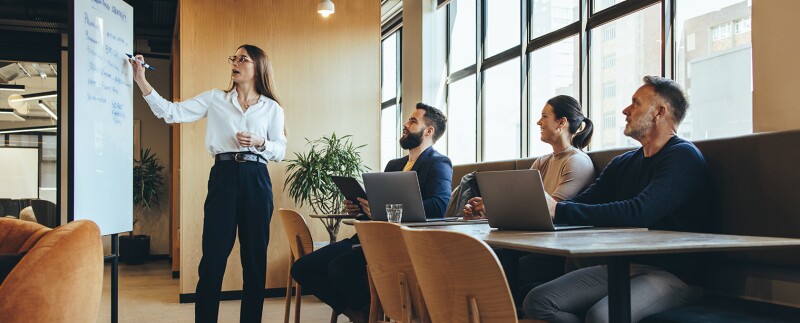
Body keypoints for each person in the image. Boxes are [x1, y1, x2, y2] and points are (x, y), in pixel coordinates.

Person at [523, 76, 712, 323]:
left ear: (660, 112)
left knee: (601, 316)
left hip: (674, 274)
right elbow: (584, 202)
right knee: (538, 301)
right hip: (624, 265)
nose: (625, 110)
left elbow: (640, 213)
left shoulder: (683, 156)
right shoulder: (623, 162)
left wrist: (558, 210)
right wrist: (538, 208)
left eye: (635, 103)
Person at [130, 45, 287, 323]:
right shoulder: (216, 98)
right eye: (233, 58)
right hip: (224, 177)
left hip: (257, 179)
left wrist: (260, 142)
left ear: (258, 67)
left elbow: (281, 150)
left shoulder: (271, 107)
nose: (235, 63)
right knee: (212, 260)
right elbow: (171, 112)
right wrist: (141, 80)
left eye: (242, 59)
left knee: (254, 262)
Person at [290, 102, 452, 322]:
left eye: (413, 121)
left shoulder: (439, 163)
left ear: (429, 131)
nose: (405, 124)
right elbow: (378, 211)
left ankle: (371, 312)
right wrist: (361, 208)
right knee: (302, 268)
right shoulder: (394, 165)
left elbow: (439, 205)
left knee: (339, 268)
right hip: (369, 238)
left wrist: (382, 209)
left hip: (400, 245)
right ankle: (361, 314)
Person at [462, 95, 595, 218]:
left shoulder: (578, 161)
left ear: (561, 123)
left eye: (544, 116)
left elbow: (551, 209)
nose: (539, 122)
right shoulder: (541, 162)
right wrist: (484, 213)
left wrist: (493, 208)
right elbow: (522, 202)